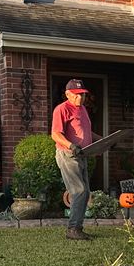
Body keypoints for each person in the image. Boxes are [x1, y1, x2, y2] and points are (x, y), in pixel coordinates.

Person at [51, 79, 100, 240]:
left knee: (85, 193)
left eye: (83, 95)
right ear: (68, 94)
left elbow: (85, 133)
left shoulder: (83, 110)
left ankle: (77, 227)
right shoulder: (62, 109)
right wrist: (71, 146)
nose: (80, 98)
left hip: (82, 155)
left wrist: (103, 141)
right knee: (78, 191)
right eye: (77, 95)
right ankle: (72, 229)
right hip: (68, 155)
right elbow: (56, 134)